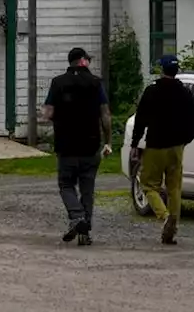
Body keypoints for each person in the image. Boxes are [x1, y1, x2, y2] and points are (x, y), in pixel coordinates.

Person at [43, 47, 112, 246]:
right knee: (87, 188)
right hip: (90, 144)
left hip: (66, 144)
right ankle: (85, 231)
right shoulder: (95, 83)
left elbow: (47, 113)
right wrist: (108, 141)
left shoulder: (58, 83)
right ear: (83, 61)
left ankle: (77, 216)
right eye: (88, 59)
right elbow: (106, 115)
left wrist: (57, 117)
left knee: (66, 185)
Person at [130, 54, 194, 245]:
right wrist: (185, 140)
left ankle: (164, 215)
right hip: (177, 147)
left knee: (148, 184)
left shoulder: (152, 90)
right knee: (174, 187)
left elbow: (141, 119)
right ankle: (174, 223)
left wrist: (135, 143)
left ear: (162, 70)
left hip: (156, 145)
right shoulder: (184, 92)